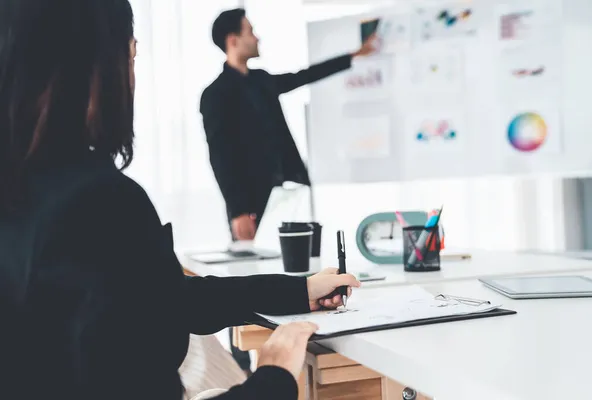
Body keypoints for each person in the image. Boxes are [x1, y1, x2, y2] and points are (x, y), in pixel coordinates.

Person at [0, 1, 360, 399]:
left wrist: (298, 290)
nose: (132, 78)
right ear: (92, 66)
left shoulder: (26, 190)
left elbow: (163, 298)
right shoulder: (97, 204)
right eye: (131, 56)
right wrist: (273, 376)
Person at [200, 8, 376, 243]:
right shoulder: (215, 95)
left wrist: (352, 56)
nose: (257, 38)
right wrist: (238, 210)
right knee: (254, 271)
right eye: (250, 32)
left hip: (286, 191)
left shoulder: (262, 80)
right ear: (233, 40)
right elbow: (220, 157)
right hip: (250, 202)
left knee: (296, 264)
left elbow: (302, 76)